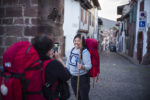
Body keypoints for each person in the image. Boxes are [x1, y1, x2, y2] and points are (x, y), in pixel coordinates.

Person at [32, 34, 71, 100]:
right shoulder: (54, 64)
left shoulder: (32, 61)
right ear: (49, 49)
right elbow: (67, 75)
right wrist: (59, 58)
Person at [66, 34, 92, 100]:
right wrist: (66, 72)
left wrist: (82, 67)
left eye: (78, 41)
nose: (76, 42)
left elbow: (89, 66)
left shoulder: (84, 52)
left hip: (82, 78)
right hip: (73, 78)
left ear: (82, 42)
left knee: (84, 97)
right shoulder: (71, 50)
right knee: (77, 96)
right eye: (75, 40)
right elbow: (68, 63)